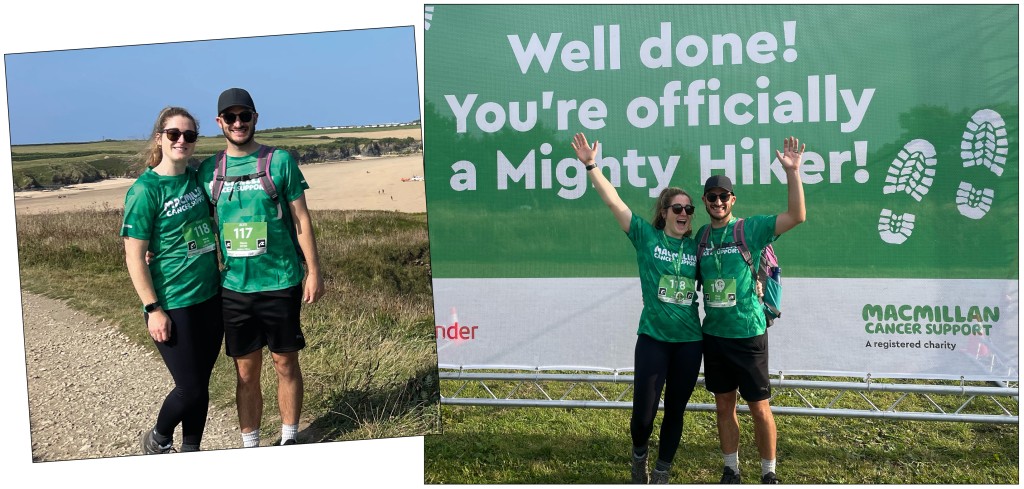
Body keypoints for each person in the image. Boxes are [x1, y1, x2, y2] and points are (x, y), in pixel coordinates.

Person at [572, 133, 703, 484]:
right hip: (654, 338)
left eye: (689, 209)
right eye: (677, 208)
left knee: (676, 410)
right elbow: (614, 202)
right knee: (643, 415)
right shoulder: (647, 236)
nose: (684, 213)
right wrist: (591, 165)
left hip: (690, 342)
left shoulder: (699, 246)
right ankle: (639, 455)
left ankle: (662, 472)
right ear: (664, 213)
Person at [198, 88, 325, 447]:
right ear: (219, 122)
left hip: (281, 281)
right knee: (245, 373)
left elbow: (301, 218)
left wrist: (313, 271)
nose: (239, 123)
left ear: (256, 118)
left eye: (245, 116)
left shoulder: (280, 161)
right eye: (231, 117)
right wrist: (154, 251)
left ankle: (289, 439)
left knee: (285, 365)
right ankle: (250, 446)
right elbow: (191, 219)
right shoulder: (209, 171)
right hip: (235, 288)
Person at [695, 137, 806, 484]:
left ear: (732, 200)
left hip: (748, 334)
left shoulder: (748, 229)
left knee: (759, 407)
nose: (717, 201)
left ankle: (768, 474)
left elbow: (796, 216)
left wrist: (792, 173)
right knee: (724, 406)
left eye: (723, 196)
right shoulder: (700, 237)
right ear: (705, 201)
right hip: (714, 335)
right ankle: (731, 469)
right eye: (711, 197)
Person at [122, 107, 223, 454]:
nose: (182, 140)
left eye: (189, 135)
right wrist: (153, 309)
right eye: (174, 134)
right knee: (189, 388)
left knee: (202, 383)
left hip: (210, 297)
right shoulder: (144, 190)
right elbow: (134, 256)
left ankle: (191, 450)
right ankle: (158, 438)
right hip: (173, 303)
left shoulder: (196, 177)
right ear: (159, 138)